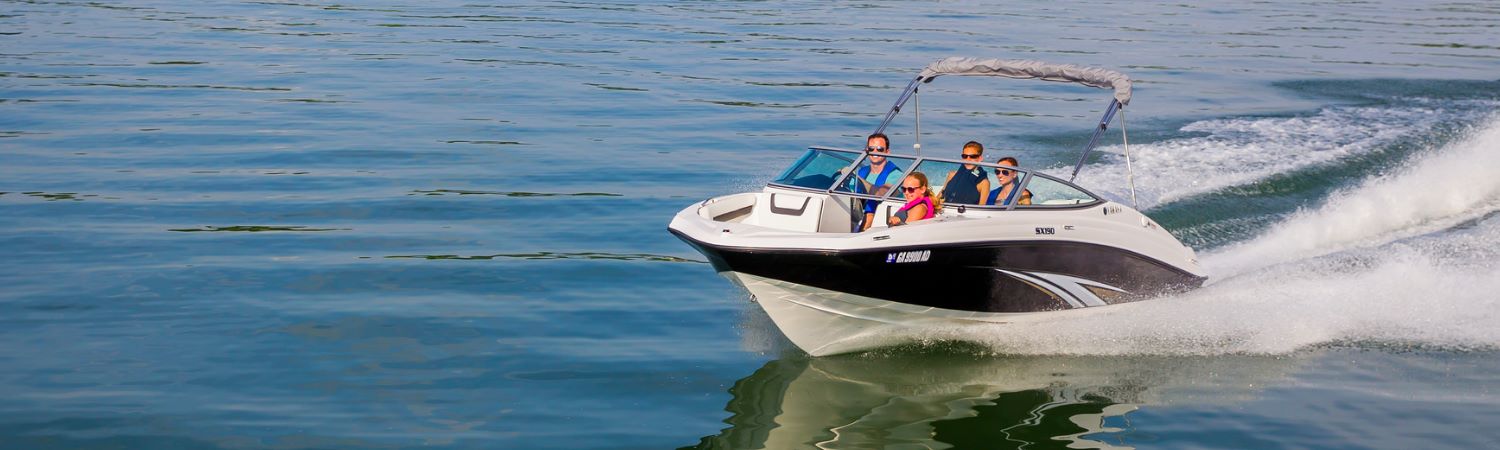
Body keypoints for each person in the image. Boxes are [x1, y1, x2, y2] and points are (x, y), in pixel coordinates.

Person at [854, 133, 903, 231]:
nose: (875, 152)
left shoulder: (896, 174)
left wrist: (858, 179)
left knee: (869, 215)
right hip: (857, 213)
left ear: (887, 152)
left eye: (880, 149)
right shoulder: (861, 171)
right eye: (871, 149)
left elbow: (881, 194)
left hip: (881, 217)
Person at [941, 141, 990, 205]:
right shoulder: (952, 175)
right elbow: (941, 195)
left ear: (980, 158)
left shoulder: (984, 183)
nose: (968, 159)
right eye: (965, 156)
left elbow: (981, 209)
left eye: (972, 156)